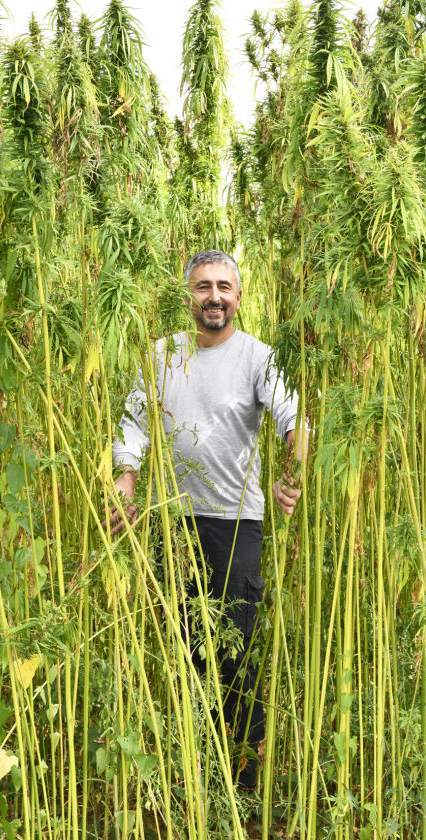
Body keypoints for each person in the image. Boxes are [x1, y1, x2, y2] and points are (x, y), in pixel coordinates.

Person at [108, 249, 306, 790]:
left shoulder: (258, 358)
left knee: (234, 651)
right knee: (184, 649)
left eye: (223, 286)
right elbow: (134, 421)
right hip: (170, 520)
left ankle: (240, 786)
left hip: (235, 522)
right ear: (187, 296)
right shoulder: (162, 354)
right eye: (203, 287)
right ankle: (193, 779)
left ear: (238, 297)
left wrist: (292, 473)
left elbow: (294, 421)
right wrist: (126, 475)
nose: (213, 296)